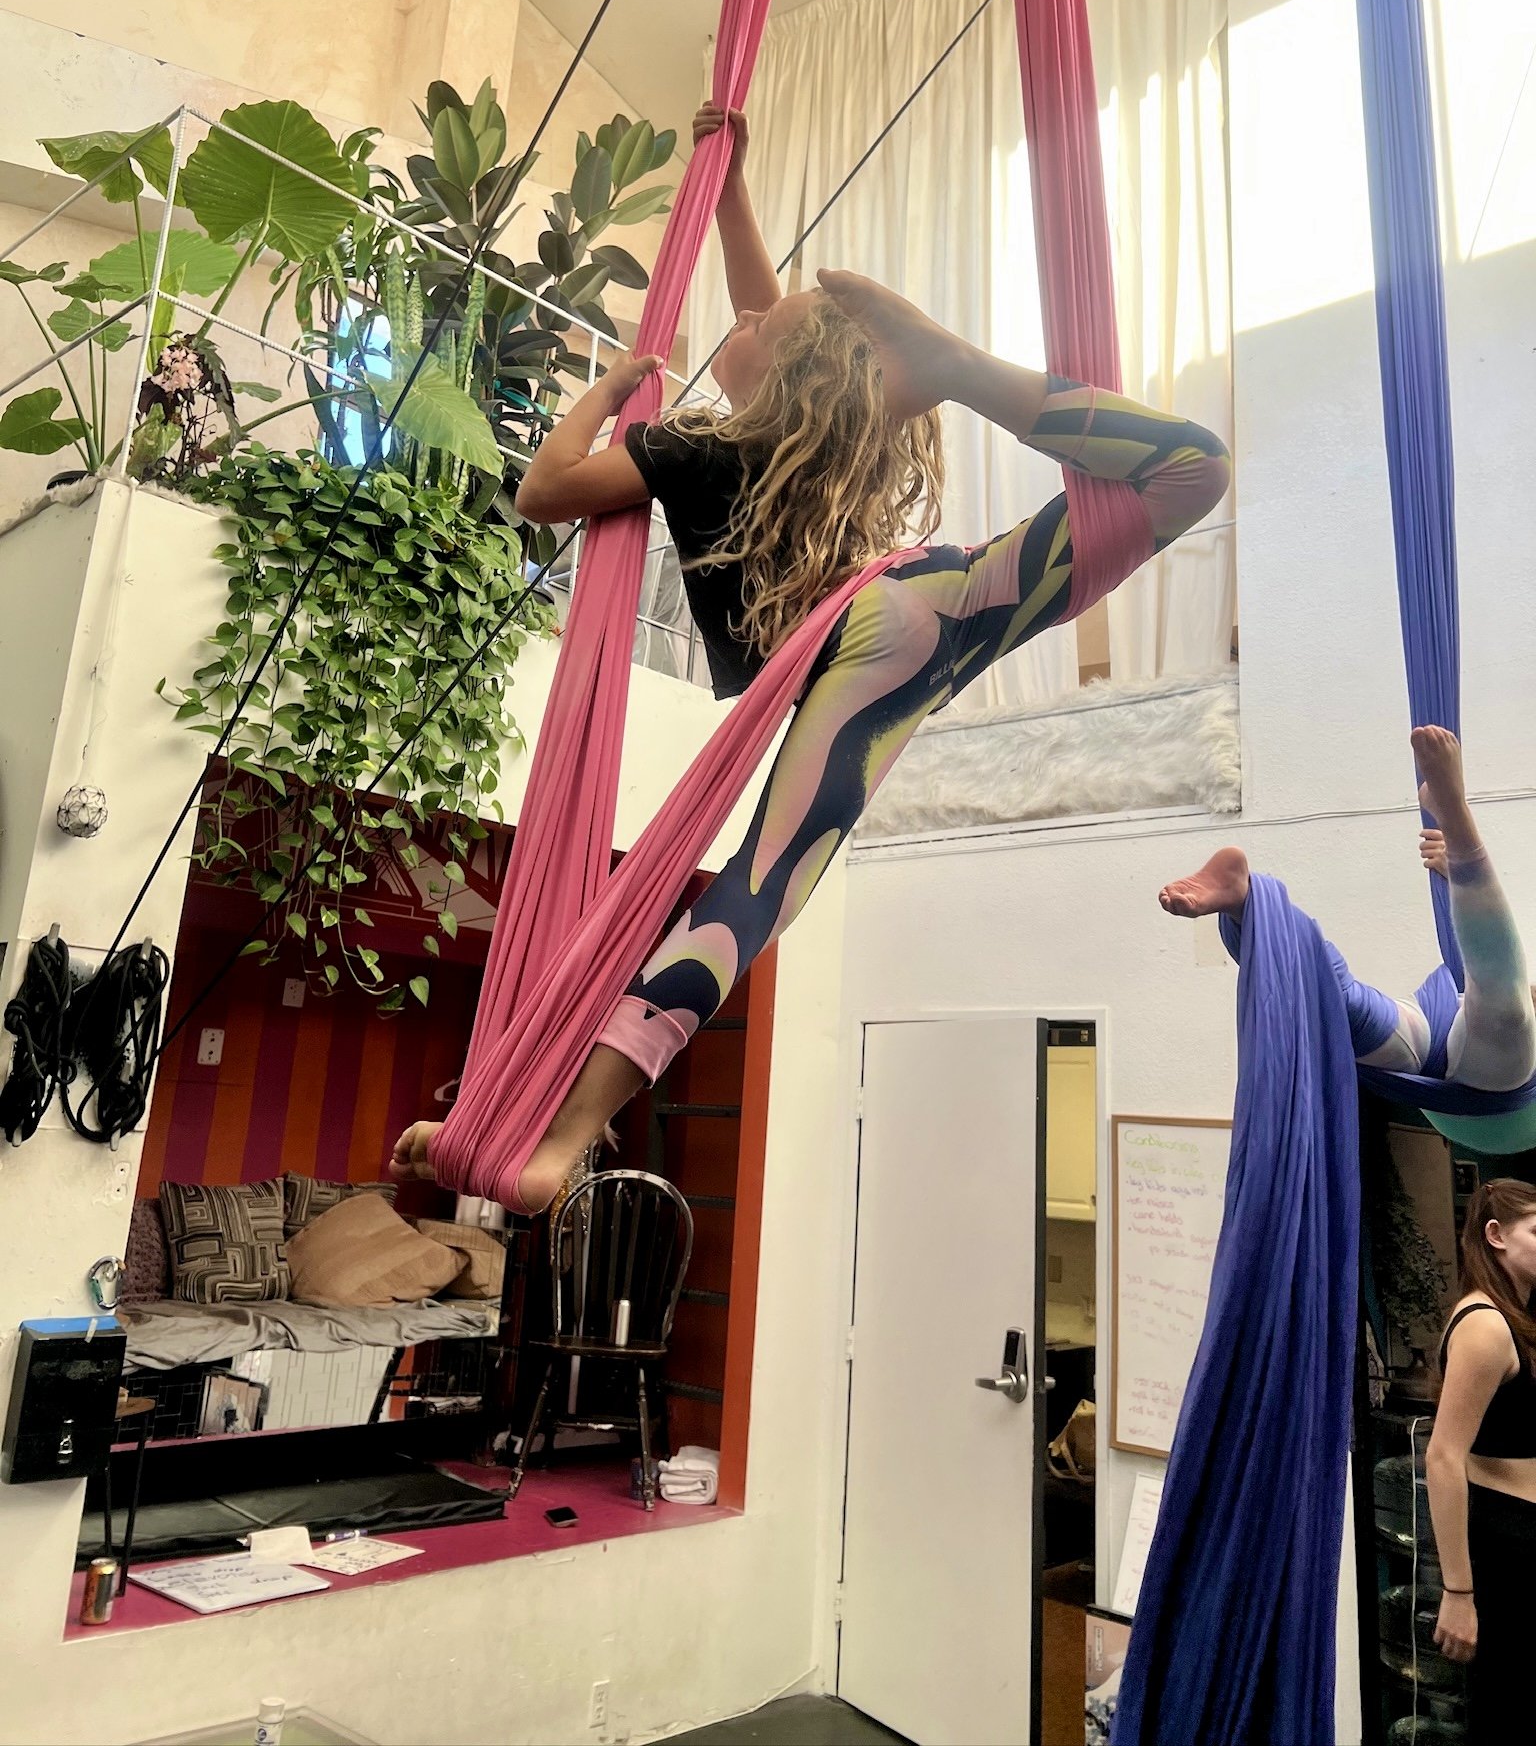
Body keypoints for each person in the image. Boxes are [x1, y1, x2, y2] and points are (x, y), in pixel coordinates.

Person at [392, 103, 1231, 1209]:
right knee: (1190, 470)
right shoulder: (822, 435)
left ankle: (557, 1140)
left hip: (854, 644)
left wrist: (603, 396)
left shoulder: (692, 447)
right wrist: (725, 175)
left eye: (760, 322)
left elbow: (546, 490)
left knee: (754, 891)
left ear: (776, 373)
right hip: (926, 608)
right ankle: (966, 370)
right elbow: (762, 308)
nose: (748, 312)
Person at [1158, 725, 1536, 1095]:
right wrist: (1453, 874)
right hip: (1441, 1021)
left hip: (1506, 1081)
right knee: (1344, 1003)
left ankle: (1457, 822)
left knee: (1507, 1008)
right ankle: (1247, 903)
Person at [1424, 1178, 1536, 1735]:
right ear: (1495, 1235)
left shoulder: (1516, 1315)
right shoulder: (1486, 1325)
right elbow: (1443, 1457)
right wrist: (1459, 1593)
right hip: (1506, 1542)